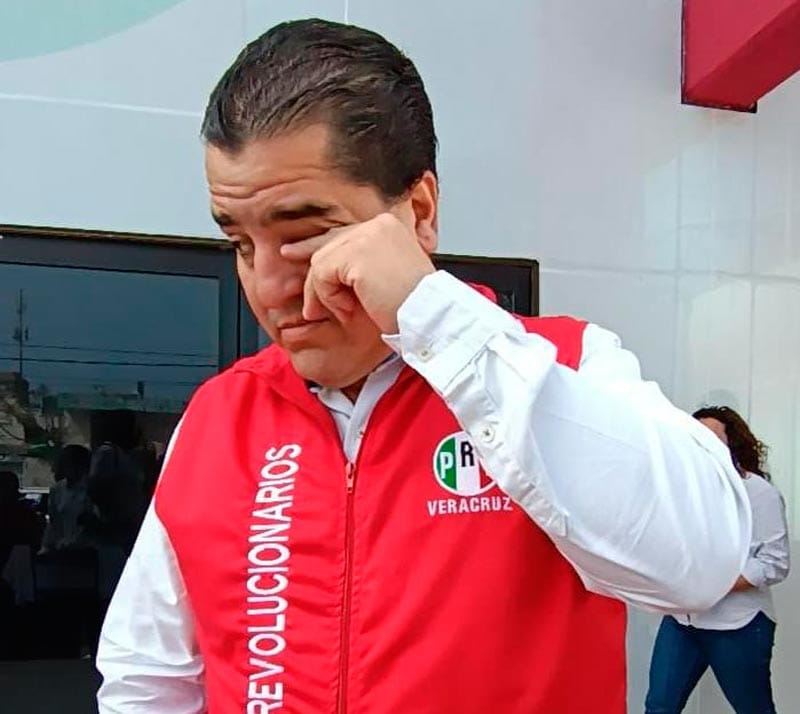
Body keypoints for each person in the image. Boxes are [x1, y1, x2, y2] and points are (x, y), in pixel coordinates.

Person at [96, 19, 752, 713]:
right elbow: (148, 676)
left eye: (305, 237)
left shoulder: (564, 364)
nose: (268, 286)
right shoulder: (219, 418)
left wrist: (432, 314)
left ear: (418, 211)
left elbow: (705, 560)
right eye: (240, 244)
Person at [645, 406, 790, 714]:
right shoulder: (681, 492)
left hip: (739, 623)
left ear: (732, 444)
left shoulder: (758, 492)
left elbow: (774, 562)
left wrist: (713, 586)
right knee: (659, 707)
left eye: (711, 436)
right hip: (682, 621)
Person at [40, 444, 94, 553]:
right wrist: (46, 546)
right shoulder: (57, 490)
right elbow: (53, 522)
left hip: (88, 550)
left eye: (64, 464)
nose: (55, 469)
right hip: (62, 550)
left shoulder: (92, 489)